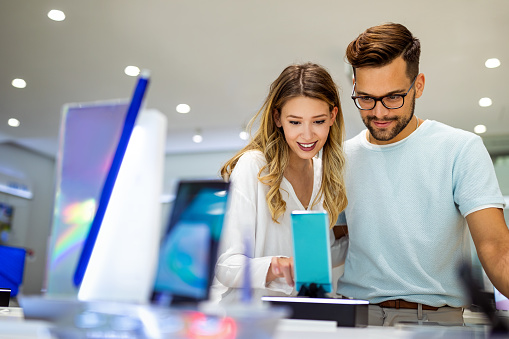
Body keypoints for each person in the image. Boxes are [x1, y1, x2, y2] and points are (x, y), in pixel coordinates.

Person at [335, 22, 509, 326]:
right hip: (357, 317)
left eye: (393, 97)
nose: (378, 112)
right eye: (365, 98)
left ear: (418, 85)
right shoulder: (341, 159)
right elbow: (332, 243)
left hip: (436, 322)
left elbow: (495, 247)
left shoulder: (461, 148)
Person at [210, 62, 348, 303]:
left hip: (299, 320)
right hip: (250, 321)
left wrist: (360, 238)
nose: (307, 135)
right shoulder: (254, 166)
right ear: (277, 117)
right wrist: (275, 266)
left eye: (318, 121)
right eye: (295, 122)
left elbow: (318, 258)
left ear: (332, 117)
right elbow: (226, 266)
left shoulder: (324, 174)